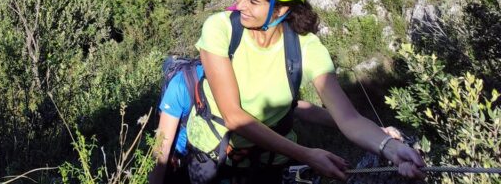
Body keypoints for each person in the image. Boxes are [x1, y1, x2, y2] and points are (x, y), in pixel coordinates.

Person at [181, 0, 425, 183]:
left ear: (282, 9)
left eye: (252, 1)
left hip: (269, 162)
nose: (239, 4)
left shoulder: (305, 48)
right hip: (213, 157)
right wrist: (305, 154)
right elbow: (233, 116)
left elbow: (348, 118)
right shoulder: (220, 28)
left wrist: (389, 147)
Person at [147, 62, 403, 184]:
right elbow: (162, 146)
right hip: (199, 162)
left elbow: (303, 109)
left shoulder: (244, 79)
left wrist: (373, 132)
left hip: (234, 163)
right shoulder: (189, 82)